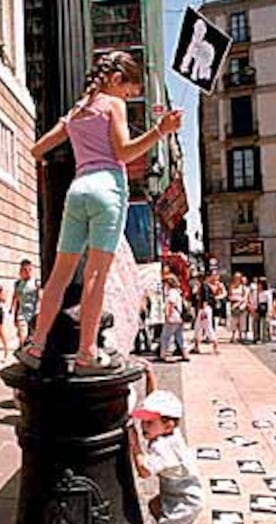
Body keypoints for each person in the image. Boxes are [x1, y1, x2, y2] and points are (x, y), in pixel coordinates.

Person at [16, 50, 182, 375]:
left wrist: (49, 161)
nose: (127, 97)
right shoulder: (112, 104)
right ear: (117, 80)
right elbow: (123, 151)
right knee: (95, 275)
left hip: (77, 190)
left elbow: (37, 149)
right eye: (128, 91)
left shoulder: (77, 111)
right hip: (108, 190)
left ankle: (35, 346)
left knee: (59, 275)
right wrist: (160, 131)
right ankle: (86, 354)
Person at [127, 389, 203, 524]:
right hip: (179, 493)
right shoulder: (170, 432)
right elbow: (155, 398)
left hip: (186, 500)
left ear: (167, 425)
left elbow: (143, 471)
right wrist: (150, 375)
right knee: (154, 505)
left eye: (148, 424)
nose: (143, 428)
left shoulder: (163, 448)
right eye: (144, 423)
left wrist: (134, 445)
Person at [10, 259, 42, 348]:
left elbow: (41, 299)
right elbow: (16, 299)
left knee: (34, 339)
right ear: (21, 270)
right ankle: (23, 354)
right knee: (22, 336)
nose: (28, 272)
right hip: (22, 314)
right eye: (25, 270)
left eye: (29, 269)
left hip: (34, 314)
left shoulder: (36, 283)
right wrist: (15, 315)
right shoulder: (18, 283)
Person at [159, 274, 189, 362]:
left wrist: (167, 316)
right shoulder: (177, 292)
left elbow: (171, 305)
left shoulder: (171, 292)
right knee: (180, 337)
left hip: (173, 317)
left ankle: (163, 355)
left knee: (165, 337)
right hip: (179, 317)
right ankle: (185, 354)